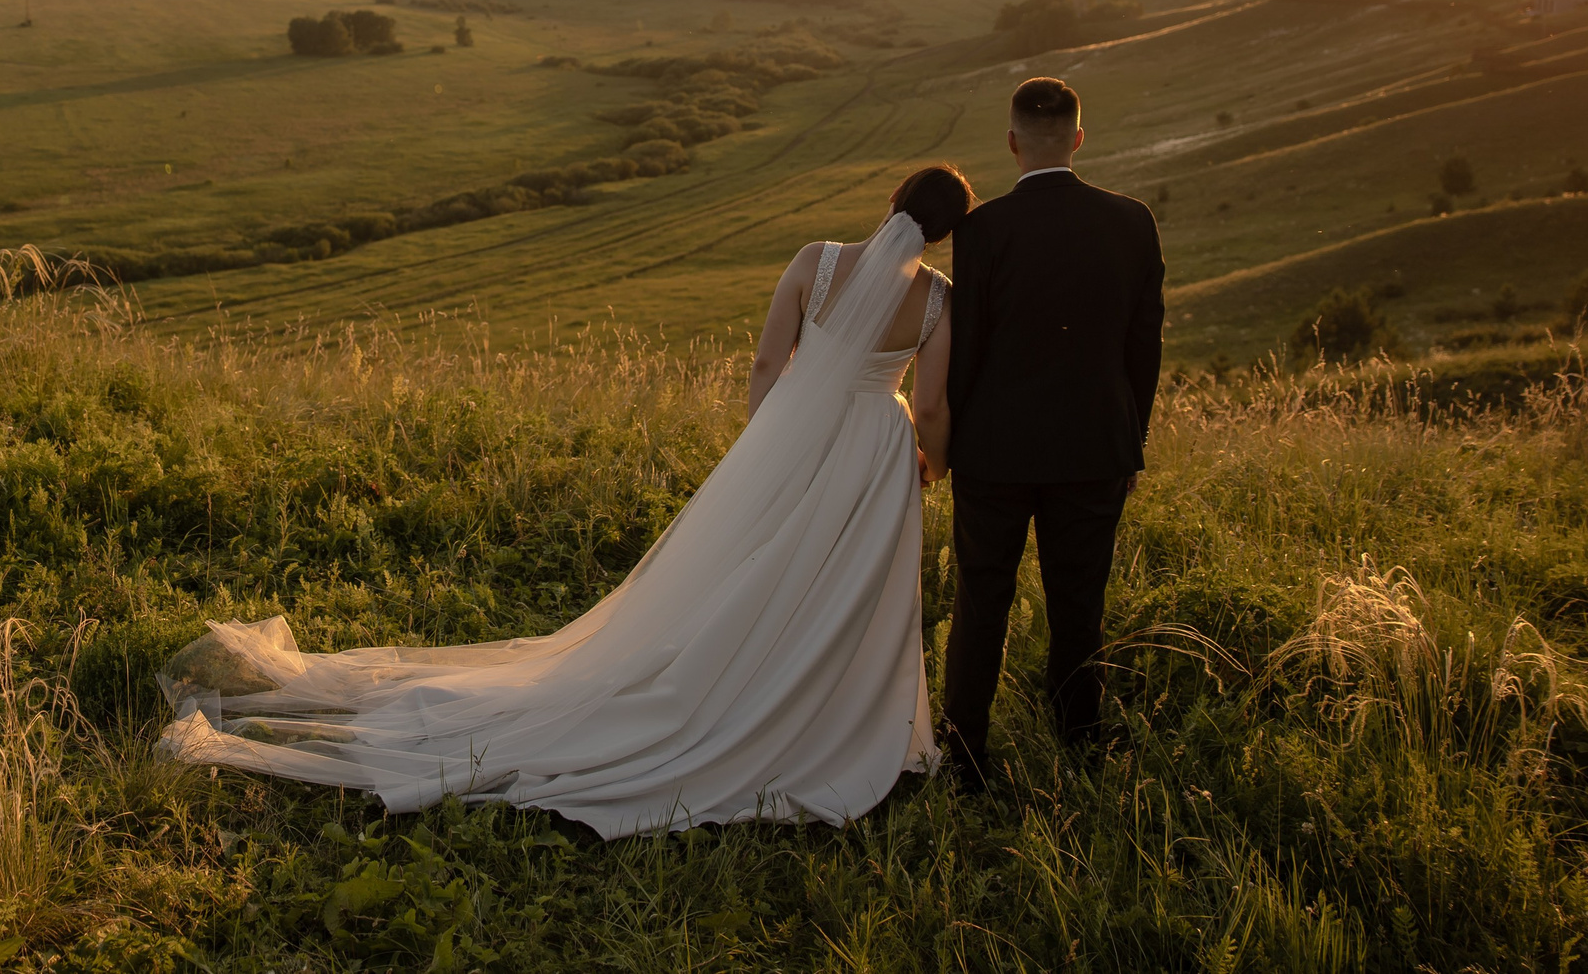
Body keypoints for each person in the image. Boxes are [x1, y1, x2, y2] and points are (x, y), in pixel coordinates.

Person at [153, 166, 975, 838]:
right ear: (940, 231)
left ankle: (722, 683)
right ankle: (827, 714)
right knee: (841, 597)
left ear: (891, 199)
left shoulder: (814, 259)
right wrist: (928, 464)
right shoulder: (936, 299)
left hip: (794, 433)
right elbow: (932, 406)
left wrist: (768, 447)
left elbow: (767, 366)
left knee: (739, 580)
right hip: (874, 451)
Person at [939, 76, 1165, 788]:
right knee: (1079, 601)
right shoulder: (1133, 221)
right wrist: (1134, 438)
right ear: (1077, 137)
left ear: (1011, 143)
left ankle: (965, 754)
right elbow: (1144, 344)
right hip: (1095, 445)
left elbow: (966, 347)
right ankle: (1080, 743)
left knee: (981, 601)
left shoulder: (980, 231)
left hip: (993, 451)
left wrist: (950, 447)